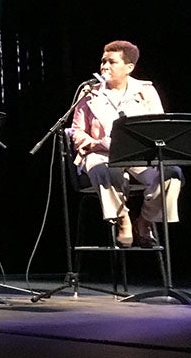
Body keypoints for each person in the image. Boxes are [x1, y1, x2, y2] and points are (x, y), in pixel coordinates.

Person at [71, 40, 181, 247]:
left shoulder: (146, 91)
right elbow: (77, 131)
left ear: (129, 67)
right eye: (103, 61)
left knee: (172, 174)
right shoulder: (89, 92)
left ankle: (145, 221)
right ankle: (122, 219)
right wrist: (95, 144)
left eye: (111, 62)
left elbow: (158, 127)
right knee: (104, 170)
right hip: (102, 153)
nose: (104, 66)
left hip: (138, 153)